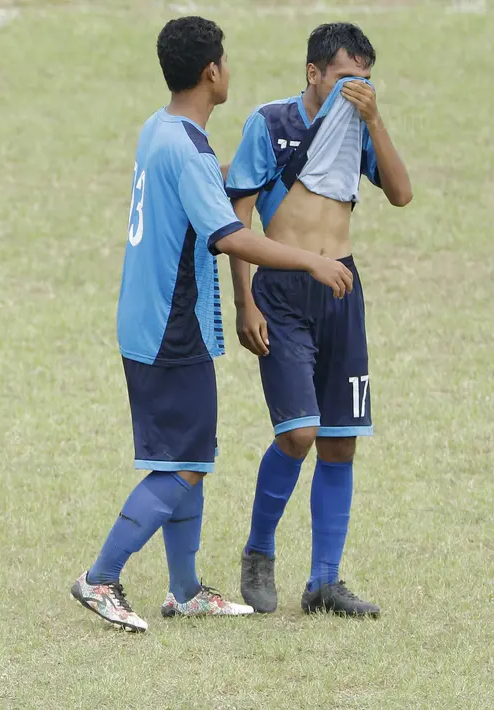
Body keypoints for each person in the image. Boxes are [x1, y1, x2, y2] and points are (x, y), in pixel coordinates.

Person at [69, 16, 355, 634]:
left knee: (190, 454)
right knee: (183, 466)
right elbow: (230, 236)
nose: (230, 69)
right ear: (211, 72)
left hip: (150, 318)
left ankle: (184, 589)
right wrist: (310, 258)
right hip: (172, 327)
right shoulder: (191, 151)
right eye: (225, 60)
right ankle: (101, 576)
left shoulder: (158, 128)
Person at [225, 22, 411, 617]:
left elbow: (402, 194)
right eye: (345, 79)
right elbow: (239, 217)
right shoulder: (270, 123)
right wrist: (245, 300)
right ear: (314, 74)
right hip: (280, 294)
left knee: (339, 443)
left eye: (365, 80)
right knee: (298, 433)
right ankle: (258, 552)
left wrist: (376, 120)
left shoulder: (359, 128)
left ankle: (324, 582)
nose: (357, 90)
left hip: (341, 292)